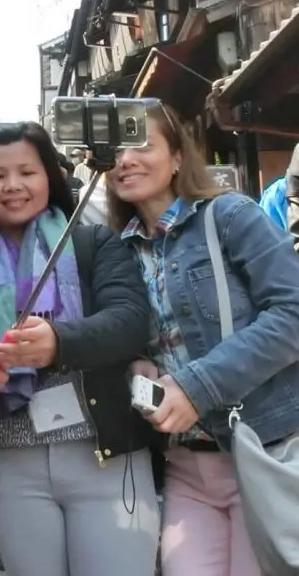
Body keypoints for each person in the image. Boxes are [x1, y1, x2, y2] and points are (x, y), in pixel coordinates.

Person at [0, 121, 159, 576]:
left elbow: (131, 322)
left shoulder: (95, 245)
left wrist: (58, 343)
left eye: (27, 173)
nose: (13, 186)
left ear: (49, 178)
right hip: (13, 469)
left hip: (106, 458)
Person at [108, 101, 299, 576]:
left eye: (142, 144)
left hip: (260, 451)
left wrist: (198, 386)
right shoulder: (115, 250)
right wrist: (137, 365)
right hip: (185, 467)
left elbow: (293, 310)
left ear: (177, 157)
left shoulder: (230, 216)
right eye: (114, 150)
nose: (125, 159)